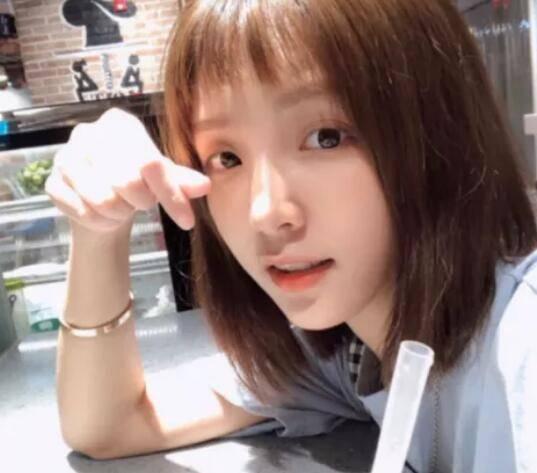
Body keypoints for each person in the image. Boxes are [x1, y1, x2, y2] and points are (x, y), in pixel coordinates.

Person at [46, 0, 537, 471]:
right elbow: (109, 425)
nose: (265, 213)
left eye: (326, 137)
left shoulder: (522, 345)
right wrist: (97, 231)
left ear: (437, 132)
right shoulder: (354, 353)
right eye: (227, 158)